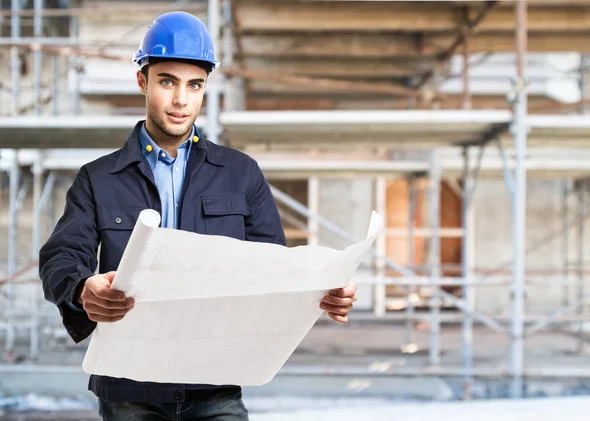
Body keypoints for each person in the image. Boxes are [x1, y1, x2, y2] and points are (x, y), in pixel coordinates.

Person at [38, 11, 358, 421]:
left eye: (194, 85)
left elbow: (273, 269)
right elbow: (60, 258)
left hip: (215, 383)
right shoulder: (98, 179)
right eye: (167, 81)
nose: (180, 100)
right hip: (129, 387)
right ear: (143, 81)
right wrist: (83, 289)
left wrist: (323, 291)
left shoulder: (241, 174)